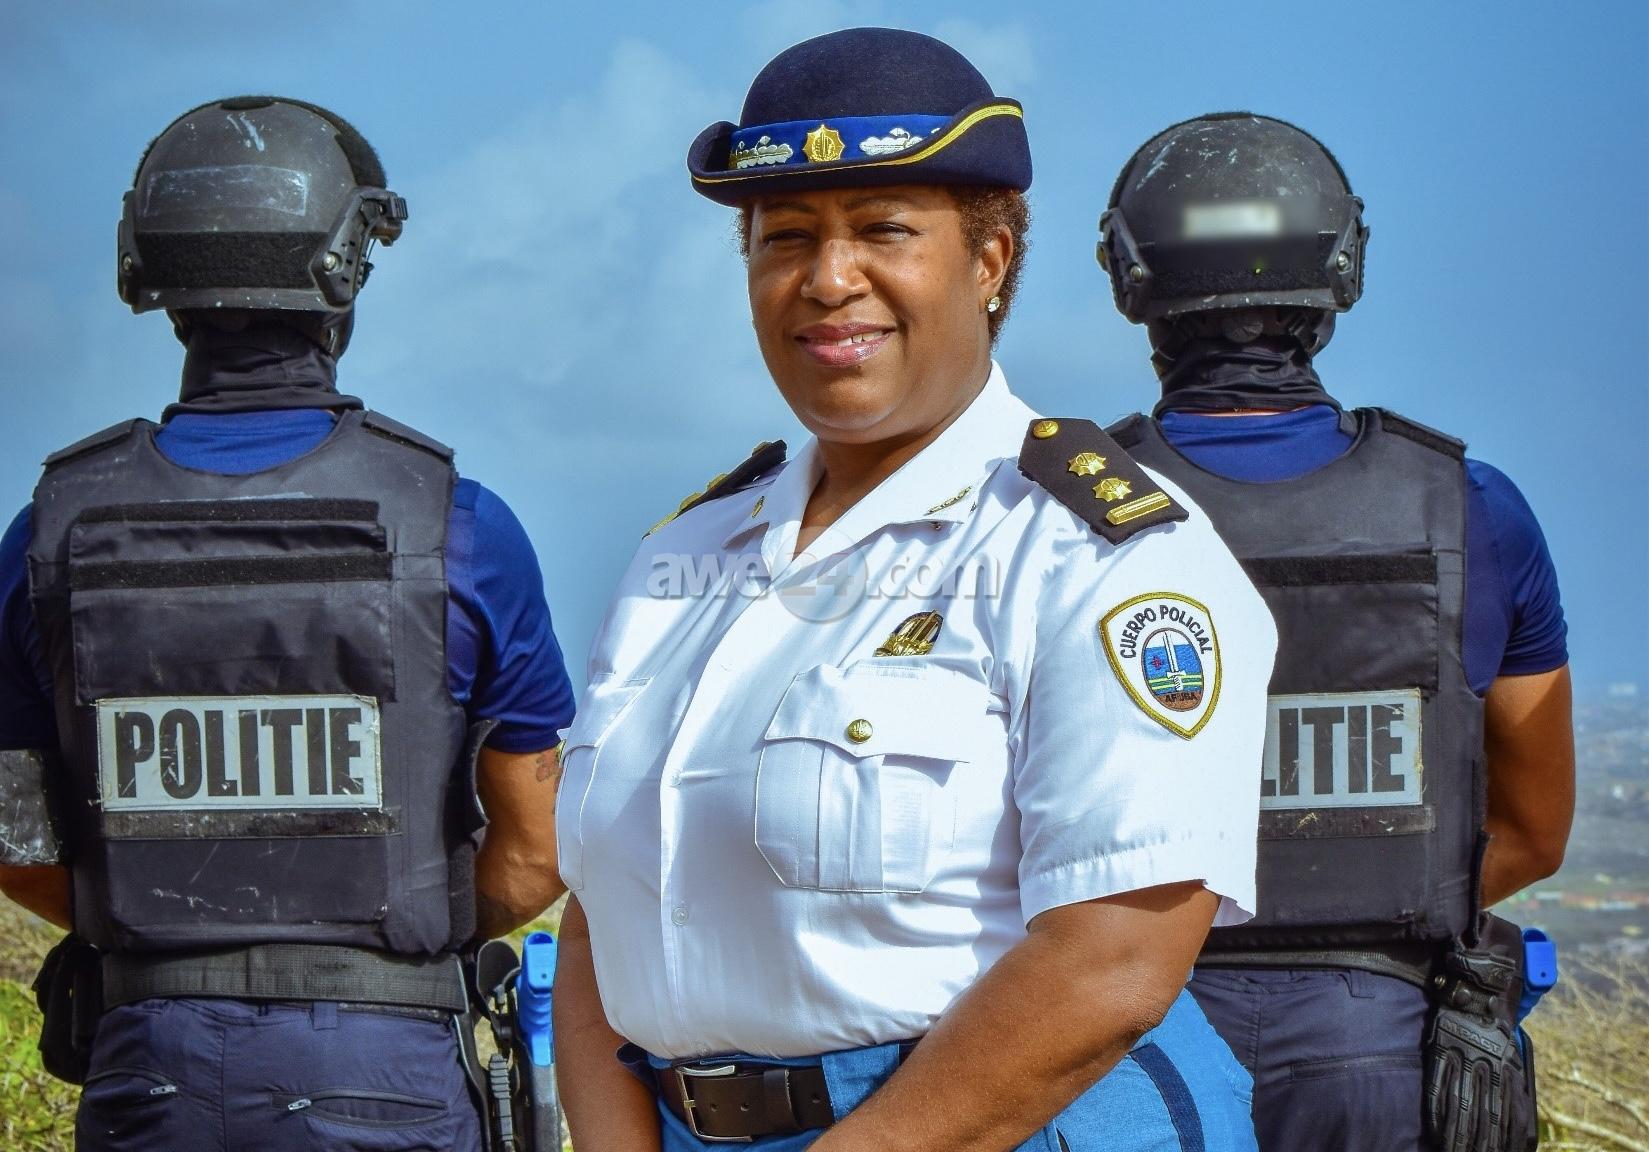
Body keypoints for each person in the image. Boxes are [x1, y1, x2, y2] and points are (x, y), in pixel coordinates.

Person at [553, 29, 1278, 1152]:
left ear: (989, 262)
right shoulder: (679, 562)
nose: (828, 279)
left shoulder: (1096, 553)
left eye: (883, 230)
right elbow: (607, 916)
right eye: (785, 238)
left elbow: (1114, 960)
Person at [0, 96, 573, 1151]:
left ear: (149, 273)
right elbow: (535, 854)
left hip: (148, 1069)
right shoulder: (458, 525)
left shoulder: (50, 529)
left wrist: (166, 939)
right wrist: (390, 955)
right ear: (344, 271)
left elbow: (14, 842)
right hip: (388, 1069)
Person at [1096, 113, 1574, 1152]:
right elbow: (1534, 832)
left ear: (1131, 278)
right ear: (1339, 270)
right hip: (1381, 1047)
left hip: (1123, 1038)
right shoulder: (1471, 510)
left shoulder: (1053, 510)